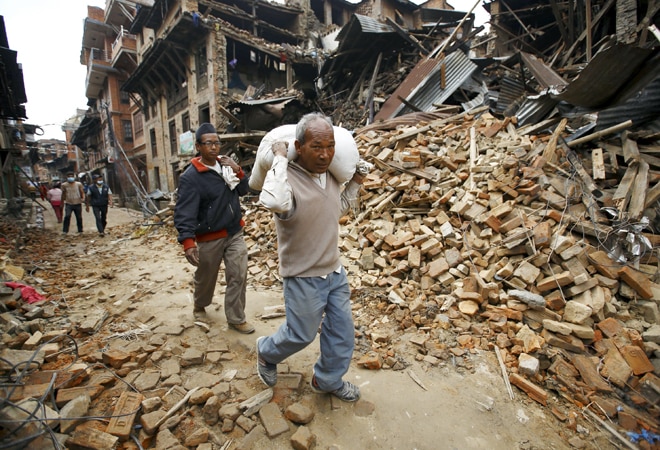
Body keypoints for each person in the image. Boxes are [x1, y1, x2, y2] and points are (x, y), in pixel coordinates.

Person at [255, 112, 364, 402]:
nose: (325, 154)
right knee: (300, 335)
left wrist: (355, 183)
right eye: (317, 146)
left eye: (330, 146)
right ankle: (266, 353)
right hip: (302, 275)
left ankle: (327, 380)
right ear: (299, 146)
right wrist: (278, 158)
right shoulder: (285, 178)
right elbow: (274, 201)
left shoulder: (329, 176)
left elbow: (334, 210)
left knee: (342, 333)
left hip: (334, 272)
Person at [173, 123, 255, 334]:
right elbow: (184, 211)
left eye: (217, 143)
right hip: (209, 236)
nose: (214, 147)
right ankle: (200, 304)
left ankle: (236, 318)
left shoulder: (226, 165)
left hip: (234, 231)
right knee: (206, 277)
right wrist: (188, 242)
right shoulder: (190, 178)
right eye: (208, 143)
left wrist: (238, 171)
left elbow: (244, 191)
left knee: (238, 274)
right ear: (199, 147)